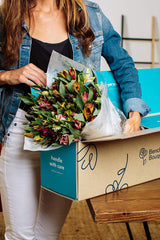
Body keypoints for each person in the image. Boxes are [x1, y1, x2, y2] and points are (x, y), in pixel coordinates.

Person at [0, 0, 150, 239]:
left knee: (47, 234)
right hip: (21, 134)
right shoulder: (8, 15)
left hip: (67, 141)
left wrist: (134, 112)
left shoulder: (90, 14)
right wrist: (9, 75)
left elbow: (122, 63)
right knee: (19, 235)